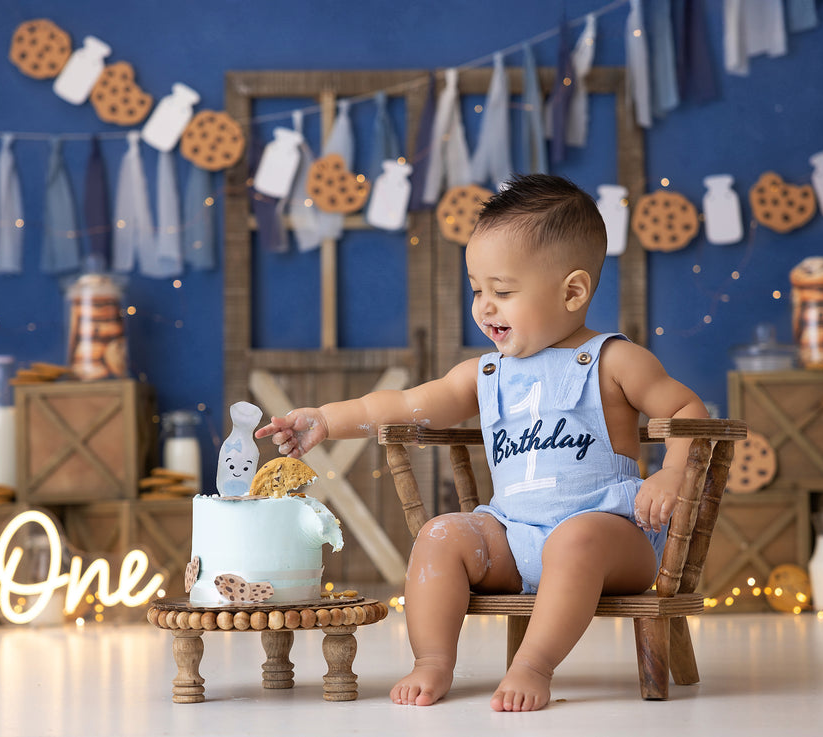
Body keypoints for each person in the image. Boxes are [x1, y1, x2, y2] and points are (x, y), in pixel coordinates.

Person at [255, 174, 708, 712]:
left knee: (576, 539)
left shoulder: (613, 360)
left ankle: (532, 665)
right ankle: (433, 659)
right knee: (441, 533)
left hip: (612, 538)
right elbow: (402, 405)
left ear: (572, 292)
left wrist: (670, 475)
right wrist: (328, 419)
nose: (484, 307)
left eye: (503, 291)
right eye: (477, 290)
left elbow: (687, 410)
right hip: (516, 537)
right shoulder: (485, 373)